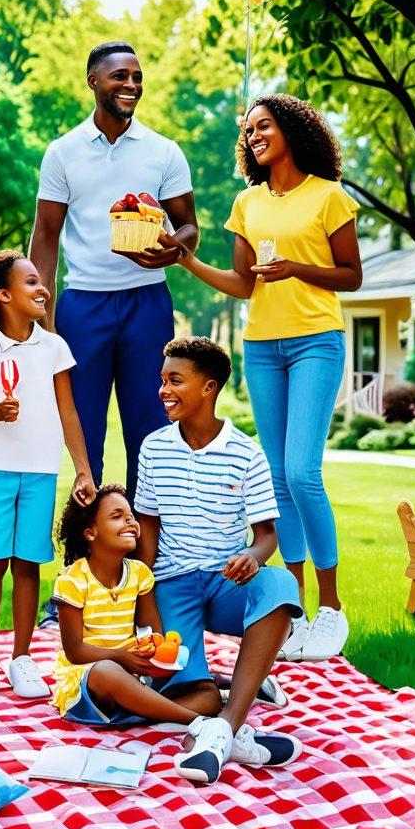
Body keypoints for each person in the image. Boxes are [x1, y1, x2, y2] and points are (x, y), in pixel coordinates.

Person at [173, 96, 362, 661]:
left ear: (292, 130)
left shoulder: (328, 196)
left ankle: (331, 608)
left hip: (315, 342)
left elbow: (351, 276)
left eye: (265, 126)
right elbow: (242, 283)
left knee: (303, 471)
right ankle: (297, 610)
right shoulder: (247, 202)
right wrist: (184, 261)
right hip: (262, 345)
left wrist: (296, 269)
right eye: (249, 130)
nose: (255, 135)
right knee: (278, 481)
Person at [29, 41, 199, 505]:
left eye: (137, 77)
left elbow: (189, 226)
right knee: (84, 430)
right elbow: (45, 235)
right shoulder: (62, 152)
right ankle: (86, 560)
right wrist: (42, 317)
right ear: (94, 82)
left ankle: (145, 554)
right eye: (119, 76)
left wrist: (174, 252)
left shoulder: (164, 151)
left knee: (151, 428)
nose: (131, 85)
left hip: (148, 301)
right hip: (83, 304)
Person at [133, 336, 304, 784]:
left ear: (208, 388)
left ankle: (225, 728)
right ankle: (231, 700)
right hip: (172, 584)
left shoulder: (246, 453)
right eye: (162, 380)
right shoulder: (153, 447)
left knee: (282, 586)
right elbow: (146, 527)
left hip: (228, 585)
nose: (163, 390)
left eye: (175, 380)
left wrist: (252, 554)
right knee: (195, 696)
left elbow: (267, 535)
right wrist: (143, 596)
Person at [53, 482, 301, 786]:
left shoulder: (140, 575)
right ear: (90, 533)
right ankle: (207, 727)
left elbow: (152, 633)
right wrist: (123, 658)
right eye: (117, 516)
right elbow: (75, 651)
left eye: (131, 515)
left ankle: (201, 720)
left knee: (208, 696)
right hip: (90, 681)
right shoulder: (72, 580)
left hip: (133, 679)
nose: (131, 522)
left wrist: (156, 653)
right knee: (107, 671)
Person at [0, 250, 95, 700]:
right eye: (30, 282)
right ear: (4, 295)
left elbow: (68, 410)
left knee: (28, 565)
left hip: (40, 470)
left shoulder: (54, 347)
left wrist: (83, 469)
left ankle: (22, 658)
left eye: (40, 280)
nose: (41, 288)